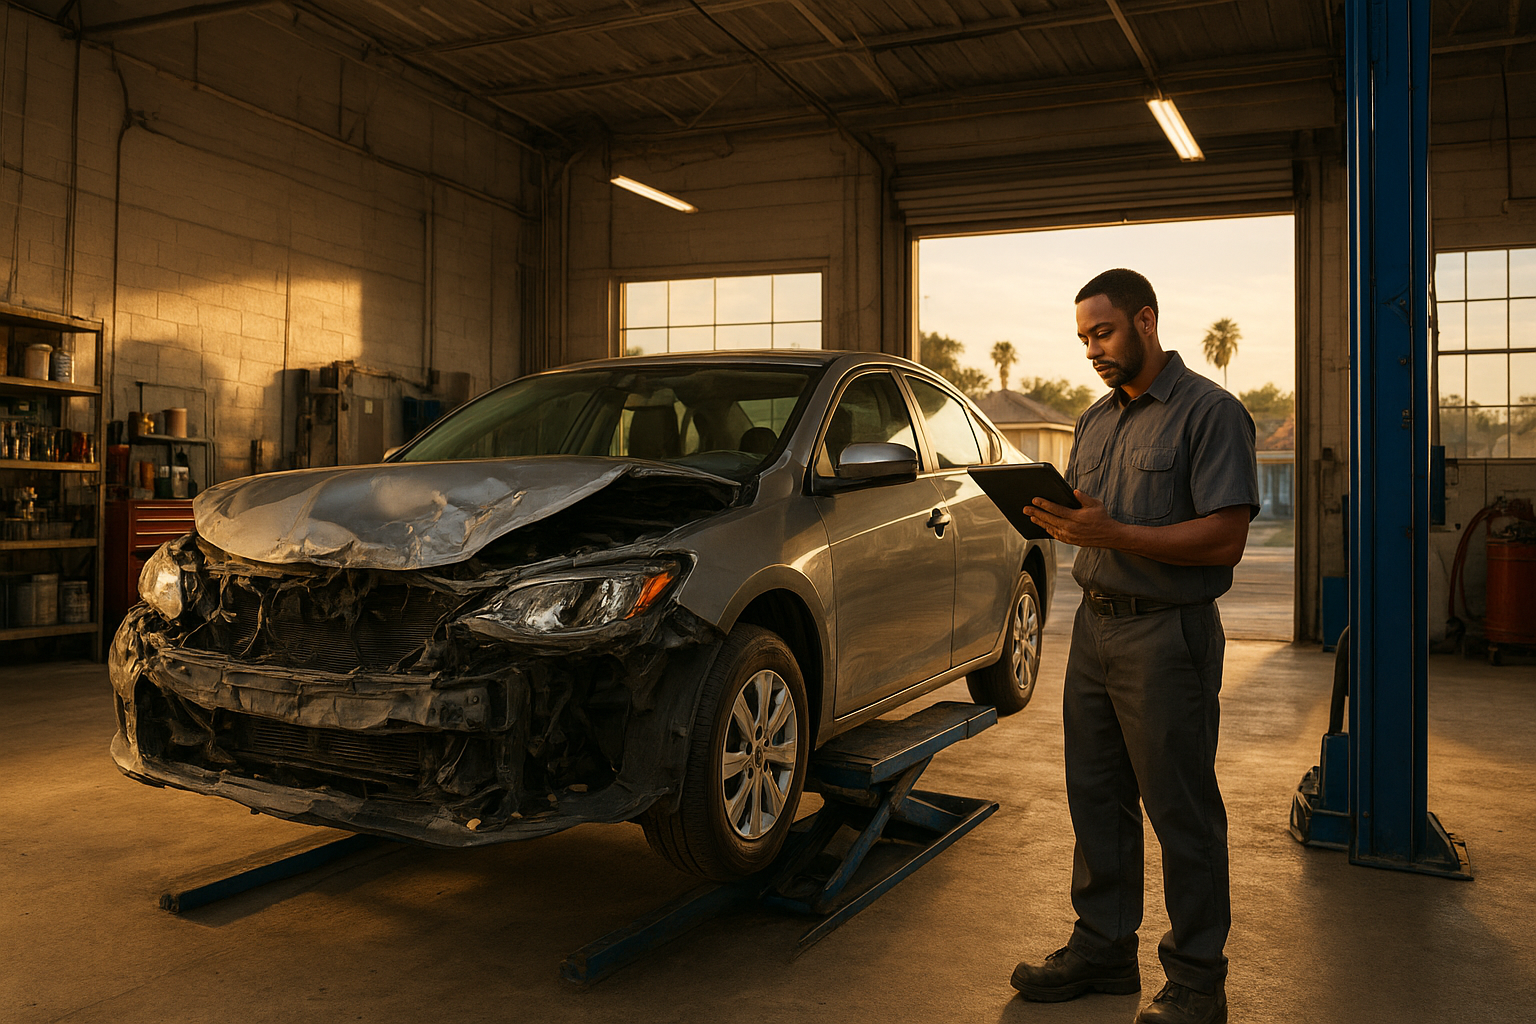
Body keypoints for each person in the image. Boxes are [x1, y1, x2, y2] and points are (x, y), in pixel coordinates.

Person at [1012, 268, 1258, 1024]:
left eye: (1104, 332)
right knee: (1095, 795)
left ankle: (1197, 980)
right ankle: (1104, 949)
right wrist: (1062, 520)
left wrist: (1114, 532)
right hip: (1094, 628)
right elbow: (1093, 520)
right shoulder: (1093, 420)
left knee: (1180, 807)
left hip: (1166, 633)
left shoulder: (1210, 413)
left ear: (1145, 321)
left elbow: (1225, 538)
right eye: (1083, 338)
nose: (1093, 349)